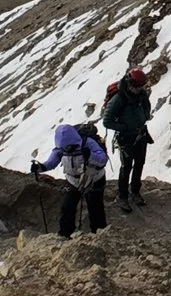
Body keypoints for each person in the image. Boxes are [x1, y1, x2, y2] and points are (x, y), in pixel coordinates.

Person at [30, 123, 108, 238]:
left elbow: (102, 159)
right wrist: (40, 167)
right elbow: (51, 163)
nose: (68, 150)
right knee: (67, 208)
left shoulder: (87, 142)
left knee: (95, 207)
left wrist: (90, 156)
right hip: (74, 180)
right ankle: (65, 234)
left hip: (93, 178)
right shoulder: (61, 148)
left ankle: (99, 234)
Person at [99, 68, 154, 212]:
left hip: (140, 134)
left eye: (141, 86)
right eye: (137, 86)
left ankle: (135, 191)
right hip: (125, 137)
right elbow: (107, 121)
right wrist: (123, 127)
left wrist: (145, 115)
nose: (139, 89)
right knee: (127, 167)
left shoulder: (141, 94)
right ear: (130, 84)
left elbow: (147, 105)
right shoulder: (119, 99)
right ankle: (122, 196)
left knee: (140, 163)